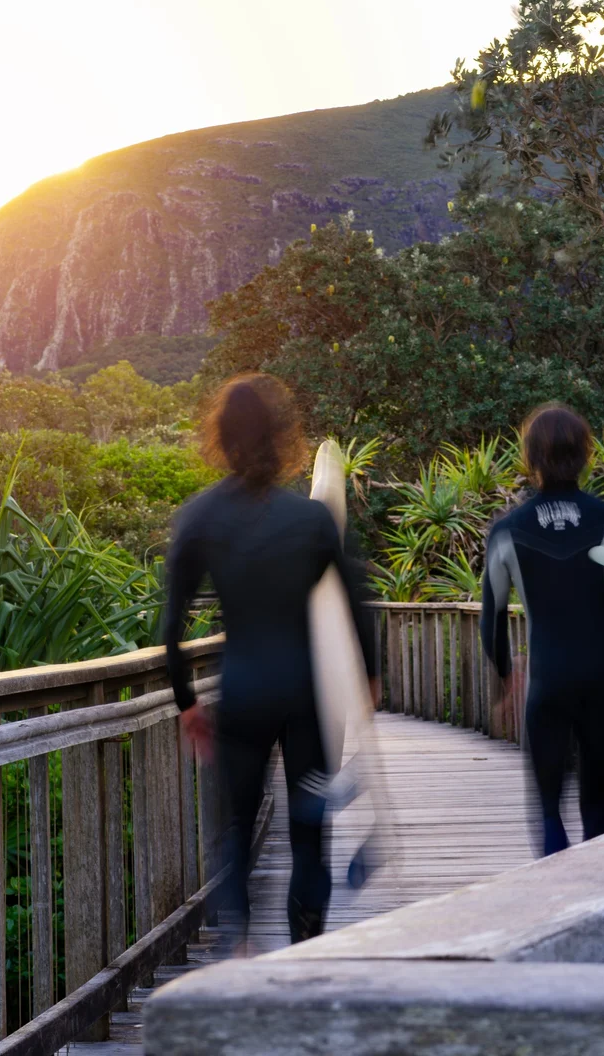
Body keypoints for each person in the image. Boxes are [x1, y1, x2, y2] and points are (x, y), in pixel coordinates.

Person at [163, 374, 378, 947]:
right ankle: (305, 951)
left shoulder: (201, 518)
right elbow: (357, 606)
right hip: (305, 698)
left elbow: (171, 629)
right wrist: (372, 679)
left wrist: (187, 704)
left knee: (235, 827)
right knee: (310, 835)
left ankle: (239, 947)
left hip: (245, 691)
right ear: (280, 439)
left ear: (221, 439)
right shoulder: (309, 520)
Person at [481, 403, 604, 856]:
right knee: (599, 812)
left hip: (547, 680)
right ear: (587, 455)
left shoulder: (507, 530)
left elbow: (491, 620)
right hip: (603, 680)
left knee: (548, 811)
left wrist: (507, 676)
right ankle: (598, 909)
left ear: (530, 459)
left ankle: (555, 906)